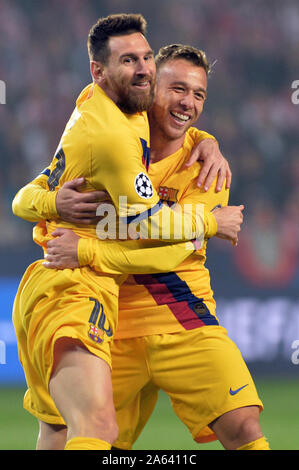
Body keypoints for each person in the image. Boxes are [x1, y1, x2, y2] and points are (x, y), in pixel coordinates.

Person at [13, 42, 268, 450]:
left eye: (198, 94)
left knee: (243, 426)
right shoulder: (111, 140)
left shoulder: (208, 170)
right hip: (110, 318)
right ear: (149, 89)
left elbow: (174, 251)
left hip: (182, 314)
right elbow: (27, 194)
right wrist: (52, 201)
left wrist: (87, 250)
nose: (188, 103)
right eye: (177, 89)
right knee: (72, 433)